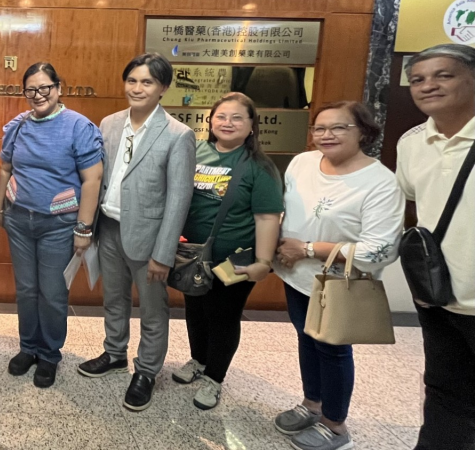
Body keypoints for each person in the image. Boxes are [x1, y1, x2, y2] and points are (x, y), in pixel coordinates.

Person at [273, 101, 404, 450]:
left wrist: (307, 248)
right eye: (319, 128)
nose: (326, 135)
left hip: (336, 283)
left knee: (332, 349)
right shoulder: (302, 163)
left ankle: (335, 425)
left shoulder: (380, 182)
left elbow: (380, 250)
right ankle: (311, 404)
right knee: (306, 338)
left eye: (339, 127)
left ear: (363, 132)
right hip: (296, 275)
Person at [76, 53, 195, 411]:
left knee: (153, 310)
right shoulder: (109, 123)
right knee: (114, 299)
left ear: (163, 88)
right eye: (132, 80)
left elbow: (179, 199)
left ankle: (146, 371)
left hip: (150, 237)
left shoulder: (178, 135)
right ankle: (115, 353)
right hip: (110, 228)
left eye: (147, 82)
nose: (137, 88)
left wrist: (163, 253)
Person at [0, 62, 103, 389]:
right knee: (26, 289)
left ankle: (50, 354)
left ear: (58, 88)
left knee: (52, 292)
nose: (38, 95)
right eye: (31, 89)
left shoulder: (78, 126)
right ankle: (28, 347)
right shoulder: (18, 126)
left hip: (60, 224)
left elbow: (92, 179)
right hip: (19, 220)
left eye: (45, 88)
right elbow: (5, 169)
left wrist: (84, 229)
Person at [173, 92, 282, 410]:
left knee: (222, 316)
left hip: (233, 258)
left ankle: (214, 377)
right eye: (221, 116)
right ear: (210, 121)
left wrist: (263, 261)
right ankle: (198, 360)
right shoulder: (196, 152)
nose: (227, 123)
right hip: (193, 255)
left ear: (251, 125)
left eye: (237, 117)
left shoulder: (259, 167)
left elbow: (267, 217)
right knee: (196, 310)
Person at [397, 44, 475, 450]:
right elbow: (413, 202)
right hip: (439, 295)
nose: (428, 86)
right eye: (418, 79)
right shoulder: (412, 143)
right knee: (445, 391)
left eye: (443, 75)